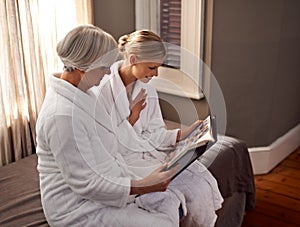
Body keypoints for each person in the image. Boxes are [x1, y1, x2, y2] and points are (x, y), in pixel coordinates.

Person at [35, 24, 181, 227]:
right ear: (83, 66)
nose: (107, 74)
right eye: (104, 67)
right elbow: (85, 184)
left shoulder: (86, 93)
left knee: (171, 199)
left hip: (109, 181)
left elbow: (109, 137)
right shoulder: (61, 117)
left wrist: (132, 119)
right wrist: (141, 186)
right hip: (77, 207)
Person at [93, 29, 224, 226]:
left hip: (146, 153)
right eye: (152, 67)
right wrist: (133, 117)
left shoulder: (147, 89)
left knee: (199, 186)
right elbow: (104, 143)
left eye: (158, 67)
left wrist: (183, 134)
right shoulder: (102, 90)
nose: (155, 74)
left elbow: (154, 132)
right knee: (172, 197)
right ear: (133, 59)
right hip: (121, 161)